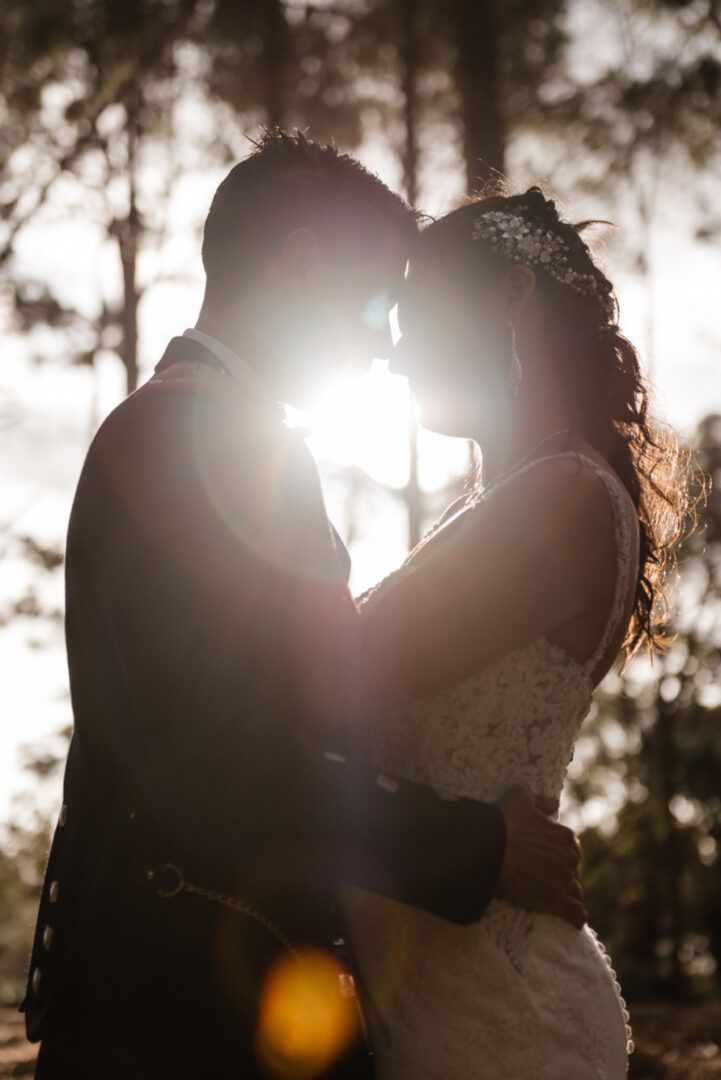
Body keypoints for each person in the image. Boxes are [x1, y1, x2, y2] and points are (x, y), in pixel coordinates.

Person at [22, 135, 583, 1079]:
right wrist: (476, 847)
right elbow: (221, 759)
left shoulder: (202, 428)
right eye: (374, 300)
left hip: (184, 977)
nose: (380, 341)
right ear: (304, 261)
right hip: (184, 1006)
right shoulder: (205, 439)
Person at [340, 187, 692, 1079]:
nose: (394, 353)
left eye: (415, 315)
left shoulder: (560, 501)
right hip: (433, 998)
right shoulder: (515, 501)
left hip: (503, 1019)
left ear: (509, 299)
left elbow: (331, 678)